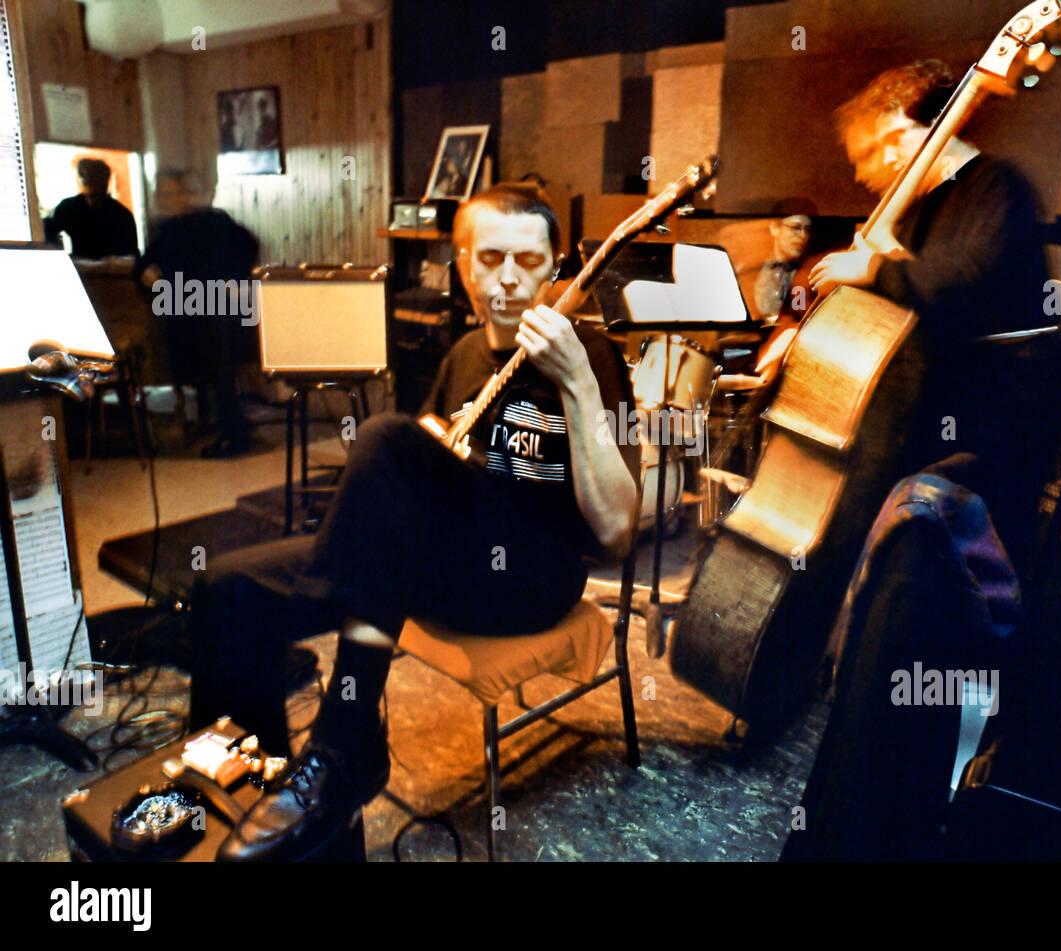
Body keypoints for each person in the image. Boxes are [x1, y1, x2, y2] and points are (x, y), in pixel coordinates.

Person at [190, 184, 640, 861]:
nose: (510, 276)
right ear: (463, 265)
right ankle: (266, 792)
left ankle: (344, 738)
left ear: (554, 268)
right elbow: (418, 477)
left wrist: (575, 382)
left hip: (535, 579)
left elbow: (617, 532)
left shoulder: (591, 356)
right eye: (490, 257)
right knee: (228, 590)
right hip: (449, 564)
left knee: (381, 437)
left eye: (529, 259)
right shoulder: (461, 356)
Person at [809, 59, 1061, 577]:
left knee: (969, 563)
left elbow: (968, 280)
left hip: (1001, 412)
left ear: (913, 133)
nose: (866, 171)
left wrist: (877, 268)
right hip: (946, 404)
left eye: (872, 150)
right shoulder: (923, 208)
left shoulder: (999, 185)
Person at [135, 170, 259, 457]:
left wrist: (232, 279)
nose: (163, 200)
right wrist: (148, 275)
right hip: (185, 310)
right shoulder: (166, 229)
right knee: (207, 372)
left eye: (168, 193)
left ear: (182, 195)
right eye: (160, 194)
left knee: (221, 372)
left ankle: (233, 435)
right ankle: (223, 428)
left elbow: (248, 247)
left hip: (215, 308)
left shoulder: (214, 221)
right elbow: (144, 264)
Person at [43, 157, 139, 259]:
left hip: (113, 272)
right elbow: (47, 230)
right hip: (81, 270)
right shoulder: (69, 207)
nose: (96, 183)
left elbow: (131, 256)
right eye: (91, 177)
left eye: (98, 178)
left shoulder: (122, 215)